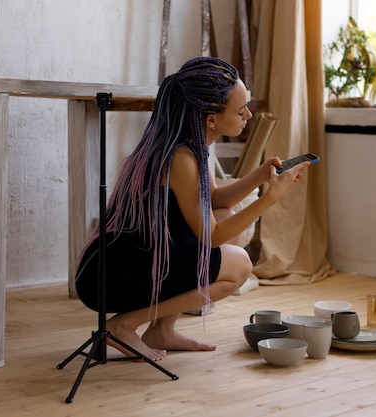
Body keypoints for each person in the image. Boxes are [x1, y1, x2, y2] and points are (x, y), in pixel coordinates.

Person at [75, 56, 310, 361]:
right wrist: (270, 199)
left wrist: (260, 176)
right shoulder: (181, 159)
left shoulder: (191, 144)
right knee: (239, 266)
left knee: (225, 217)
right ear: (211, 118)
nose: (249, 115)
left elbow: (213, 199)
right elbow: (211, 237)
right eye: (240, 111)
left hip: (141, 256)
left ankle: (162, 330)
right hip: (113, 274)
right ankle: (125, 324)